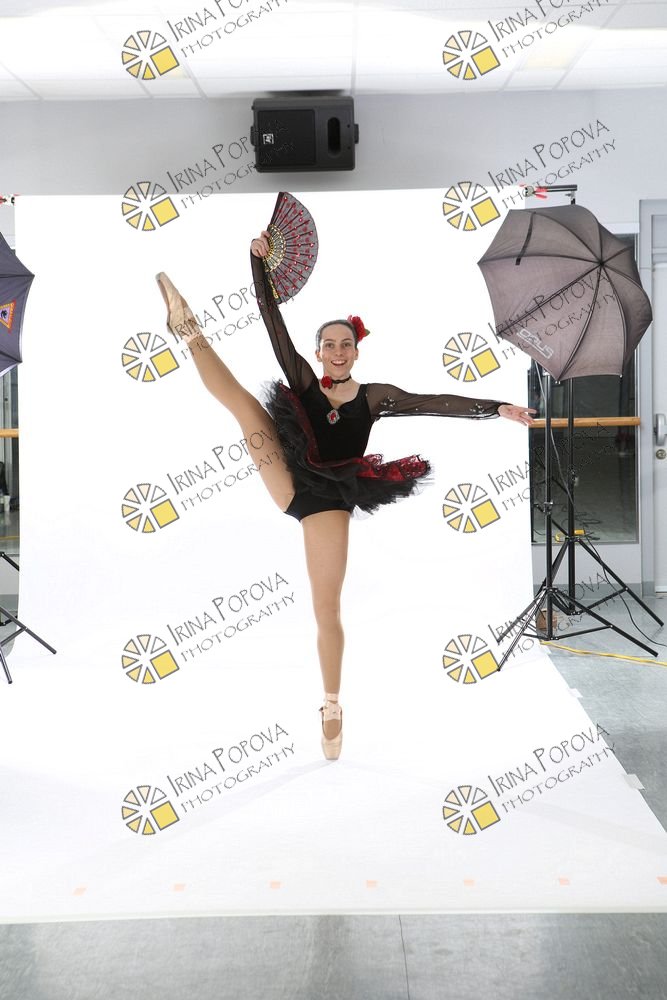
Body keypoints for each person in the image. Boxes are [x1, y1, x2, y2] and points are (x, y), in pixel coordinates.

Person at [155, 229, 535, 761]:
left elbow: (434, 402)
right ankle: (188, 327)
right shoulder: (304, 381)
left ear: (356, 352)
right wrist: (257, 263)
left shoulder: (375, 397)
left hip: (326, 499)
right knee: (243, 405)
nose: (337, 352)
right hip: (288, 473)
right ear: (318, 352)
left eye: (345, 345)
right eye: (329, 345)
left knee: (326, 606)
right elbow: (271, 321)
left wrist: (496, 408)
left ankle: (331, 706)